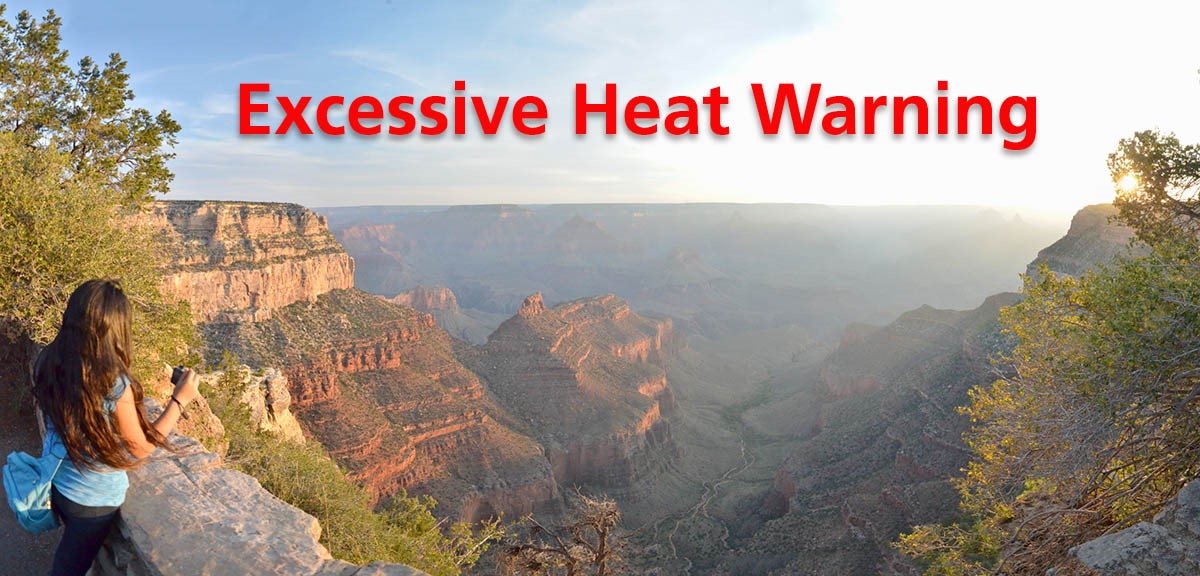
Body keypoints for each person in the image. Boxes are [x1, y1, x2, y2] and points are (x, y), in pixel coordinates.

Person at [31, 279, 201, 576]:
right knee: (68, 567)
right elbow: (139, 448)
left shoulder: (48, 359)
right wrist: (179, 400)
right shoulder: (113, 384)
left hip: (58, 484)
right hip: (92, 502)